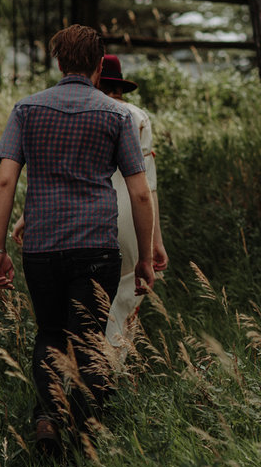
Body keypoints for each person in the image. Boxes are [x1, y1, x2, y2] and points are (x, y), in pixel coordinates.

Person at [0, 25, 166, 458]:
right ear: (96, 63)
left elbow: (5, 180)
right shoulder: (117, 115)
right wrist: (145, 256)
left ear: (58, 61)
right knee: (89, 336)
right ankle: (88, 431)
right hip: (96, 246)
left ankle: (48, 416)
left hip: (42, 247)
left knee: (49, 332)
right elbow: (141, 192)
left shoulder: (27, 109)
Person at [11, 54, 166, 349]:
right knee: (122, 296)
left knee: (76, 307)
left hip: (81, 220)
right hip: (130, 220)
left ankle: (73, 372)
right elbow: (147, 187)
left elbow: (57, 174)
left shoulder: (75, 111)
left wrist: (25, 216)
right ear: (118, 86)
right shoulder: (136, 116)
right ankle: (106, 368)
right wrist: (155, 242)